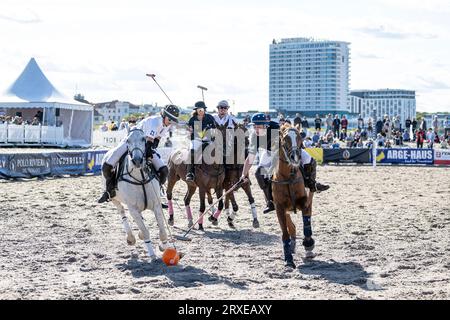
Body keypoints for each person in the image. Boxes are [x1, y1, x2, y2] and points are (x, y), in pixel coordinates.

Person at [239, 113, 329, 214]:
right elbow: (250, 158)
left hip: (288, 150)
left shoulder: (276, 127)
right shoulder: (254, 137)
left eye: (258, 126)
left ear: (265, 125)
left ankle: (312, 184)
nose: (256, 129)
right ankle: (270, 201)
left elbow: (292, 133)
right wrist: (243, 174)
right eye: (254, 126)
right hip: (270, 152)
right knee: (259, 173)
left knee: (309, 160)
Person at [97, 105, 180, 203]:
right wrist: (149, 152)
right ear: (163, 115)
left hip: (146, 145)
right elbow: (149, 142)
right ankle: (109, 190)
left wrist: (152, 151)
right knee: (108, 164)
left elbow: (156, 140)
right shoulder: (154, 122)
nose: (170, 122)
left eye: (172, 120)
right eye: (169, 119)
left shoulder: (166, 125)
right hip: (132, 143)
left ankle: (158, 192)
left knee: (164, 170)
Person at [186, 101, 216, 182]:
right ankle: (190, 173)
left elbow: (215, 128)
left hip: (208, 140)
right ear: (196, 110)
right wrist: (189, 130)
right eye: (198, 109)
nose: (200, 111)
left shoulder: (210, 117)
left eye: (201, 109)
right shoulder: (192, 119)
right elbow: (189, 131)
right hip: (196, 140)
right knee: (192, 152)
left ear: (204, 109)